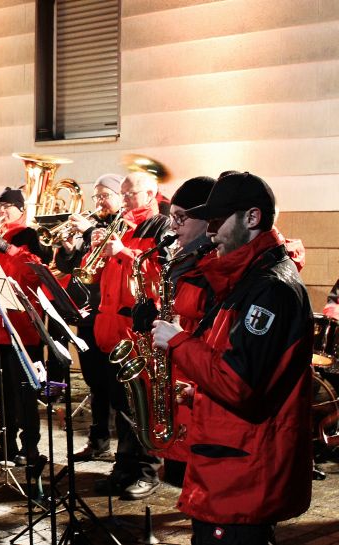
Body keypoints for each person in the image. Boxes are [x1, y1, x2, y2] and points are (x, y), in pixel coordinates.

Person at [152, 171, 313, 545]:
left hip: (243, 473)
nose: (210, 232)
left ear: (252, 218)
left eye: (217, 220)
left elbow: (241, 385)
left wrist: (177, 343)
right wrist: (198, 395)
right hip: (231, 462)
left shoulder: (271, 287)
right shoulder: (251, 276)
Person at [89, 171, 171, 500]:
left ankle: (148, 470)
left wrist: (121, 250)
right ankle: (123, 468)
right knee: (122, 407)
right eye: (121, 194)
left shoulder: (160, 227)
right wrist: (94, 254)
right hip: (109, 327)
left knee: (143, 406)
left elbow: (158, 277)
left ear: (151, 193)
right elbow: (98, 277)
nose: (123, 200)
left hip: (135, 330)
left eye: (130, 194)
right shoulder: (120, 224)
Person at [0, 187, 52, 468]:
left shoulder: (29, 235)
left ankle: (31, 447)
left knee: (25, 388)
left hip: (21, 325)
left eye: (7, 206)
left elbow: (35, 271)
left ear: (20, 208)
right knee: (1, 388)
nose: (2, 211)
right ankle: (6, 442)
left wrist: (9, 249)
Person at [53, 173, 123, 461]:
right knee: (95, 381)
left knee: (115, 385)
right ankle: (99, 441)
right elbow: (75, 267)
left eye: (104, 195)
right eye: (96, 196)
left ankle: (125, 450)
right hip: (88, 314)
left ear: (119, 197)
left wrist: (88, 230)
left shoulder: (121, 224)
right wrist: (70, 249)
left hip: (113, 317)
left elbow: (113, 262)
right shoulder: (96, 227)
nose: (98, 201)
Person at [154, 176, 215, 486]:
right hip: (179, 367)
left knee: (199, 478)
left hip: (197, 375)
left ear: (207, 220)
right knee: (179, 476)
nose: (173, 225)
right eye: (171, 217)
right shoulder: (182, 257)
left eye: (181, 217)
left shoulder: (213, 264)